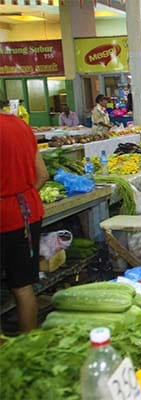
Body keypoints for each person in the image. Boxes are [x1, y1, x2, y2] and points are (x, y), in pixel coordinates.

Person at [0, 112, 49, 333]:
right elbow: (43, 175)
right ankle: (30, 343)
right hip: (28, 213)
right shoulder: (19, 124)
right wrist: (22, 195)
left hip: (4, 218)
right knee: (22, 286)